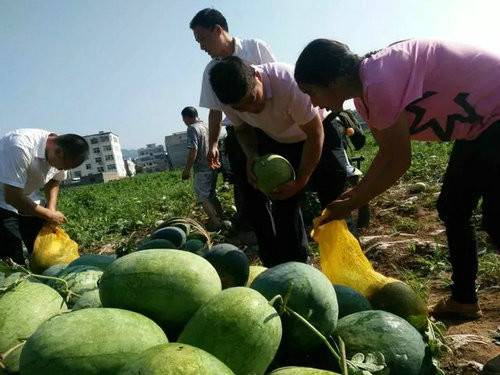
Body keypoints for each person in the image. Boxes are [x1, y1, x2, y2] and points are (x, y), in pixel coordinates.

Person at [294, 38, 500, 320]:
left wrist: (354, 201)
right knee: (453, 206)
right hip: (480, 127)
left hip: (495, 113)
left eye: (310, 91)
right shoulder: (366, 92)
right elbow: (387, 156)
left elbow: (400, 161)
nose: (311, 102)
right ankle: (464, 299)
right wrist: (353, 197)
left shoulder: (378, 81)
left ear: (331, 81)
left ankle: (464, 296)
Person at [209, 56, 348, 266]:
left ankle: (346, 259)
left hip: (319, 132)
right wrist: (252, 157)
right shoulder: (229, 100)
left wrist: (302, 179)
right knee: (283, 204)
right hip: (281, 139)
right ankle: (297, 266)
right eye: (241, 108)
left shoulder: (288, 83)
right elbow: (243, 129)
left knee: (334, 198)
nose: (251, 109)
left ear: (257, 76)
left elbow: (315, 134)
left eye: (253, 99)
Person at [189, 8, 276, 233]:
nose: (201, 47)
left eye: (203, 39)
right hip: (239, 130)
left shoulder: (254, 47)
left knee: (278, 175)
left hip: (270, 126)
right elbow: (215, 111)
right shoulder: (211, 70)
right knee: (248, 185)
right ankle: (260, 233)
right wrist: (214, 144)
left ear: (218, 30)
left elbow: (275, 83)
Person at [0, 129, 89, 265]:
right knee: (12, 256)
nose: (63, 170)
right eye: (63, 166)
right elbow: (12, 197)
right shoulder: (19, 147)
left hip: (27, 196)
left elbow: (54, 181)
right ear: (58, 151)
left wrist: (51, 208)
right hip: (4, 200)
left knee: (40, 248)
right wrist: (48, 215)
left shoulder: (59, 151)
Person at [181, 106, 225, 230]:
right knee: (212, 194)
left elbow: (193, 150)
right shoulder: (206, 126)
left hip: (202, 168)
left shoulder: (192, 128)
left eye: (183, 119)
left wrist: (187, 169)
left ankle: (216, 222)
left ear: (186, 117)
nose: (184, 122)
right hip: (213, 166)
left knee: (203, 197)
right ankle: (222, 216)